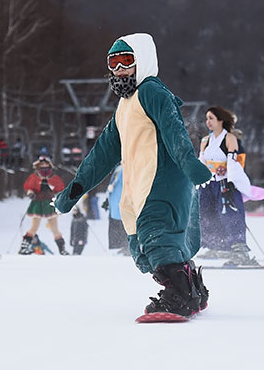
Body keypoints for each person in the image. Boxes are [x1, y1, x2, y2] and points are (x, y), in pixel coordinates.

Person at [53, 33, 212, 318]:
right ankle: (190, 286)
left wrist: (191, 164)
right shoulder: (125, 106)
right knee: (142, 246)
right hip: (140, 188)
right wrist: (73, 192)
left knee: (156, 237)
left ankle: (180, 296)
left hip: (164, 183)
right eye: (113, 63)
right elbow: (101, 155)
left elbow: (174, 130)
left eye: (126, 61)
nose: (119, 70)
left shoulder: (152, 91)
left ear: (144, 61)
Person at [198, 106, 259, 266]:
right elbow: (202, 160)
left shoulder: (229, 138)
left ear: (220, 120)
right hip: (208, 183)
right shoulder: (205, 140)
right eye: (206, 118)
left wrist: (228, 173)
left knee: (230, 213)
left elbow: (233, 160)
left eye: (211, 118)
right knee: (207, 213)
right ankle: (218, 245)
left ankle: (240, 250)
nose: (208, 122)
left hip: (225, 182)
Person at [19, 154, 69, 255]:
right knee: (34, 227)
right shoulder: (34, 177)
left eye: (46, 166)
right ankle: (24, 247)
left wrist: (61, 197)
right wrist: (31, 193)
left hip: (50, 203)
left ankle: (62, 249)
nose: (44, 168)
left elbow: (60, 188)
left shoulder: (54, 178)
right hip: (38, 203)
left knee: (55, 228)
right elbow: (29, 188)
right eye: (42, 166)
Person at [106, 164, 129, 254]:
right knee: (122, 226)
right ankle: (124, 246)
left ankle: (126, 246)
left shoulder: (123, 169)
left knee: (123, 226)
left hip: (121, 202)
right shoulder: (121, 168)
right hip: (117, 202)